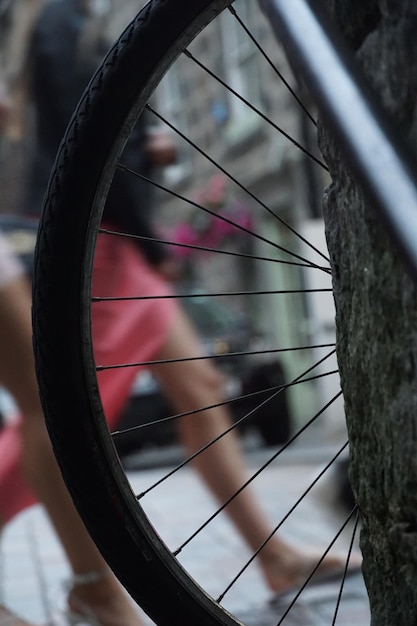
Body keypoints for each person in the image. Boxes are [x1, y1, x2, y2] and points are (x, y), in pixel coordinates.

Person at [0, 0, 359, 622]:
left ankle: (270, 553)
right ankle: (95, 589)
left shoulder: (63, 24)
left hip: (109, 241)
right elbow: (84, 142)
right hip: (97, 243)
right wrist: (148, 231)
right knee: (52, 411)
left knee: (195, 386)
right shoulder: (59, 21)